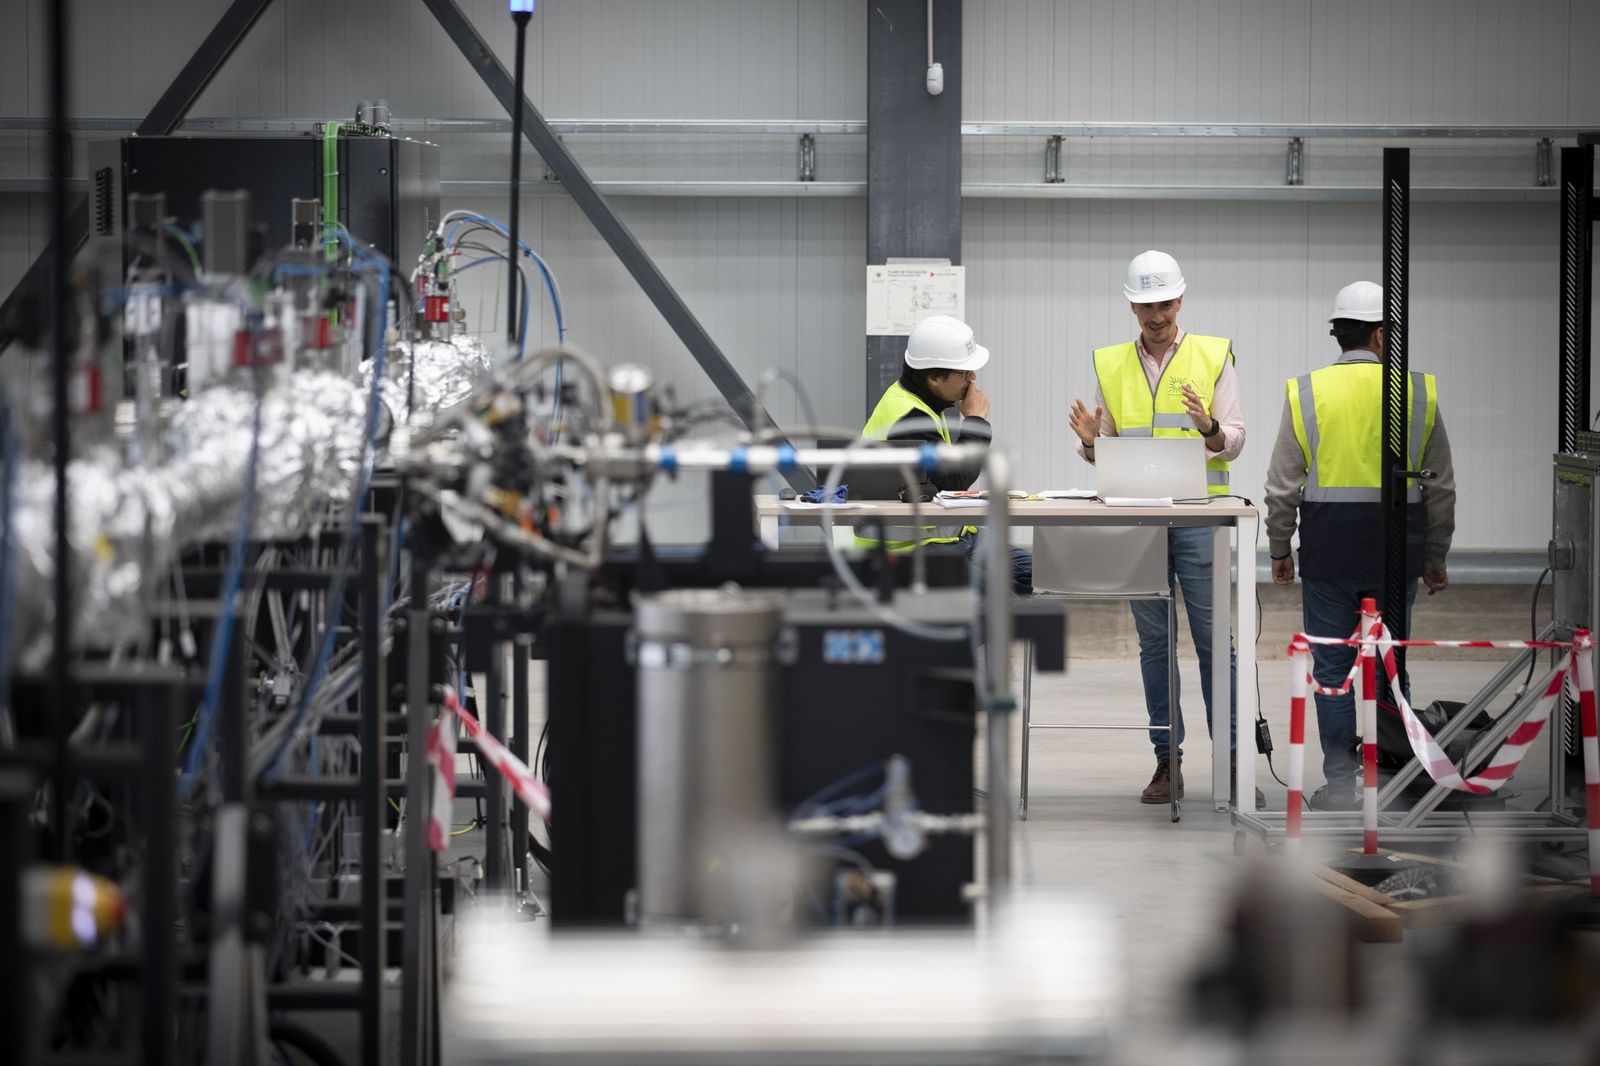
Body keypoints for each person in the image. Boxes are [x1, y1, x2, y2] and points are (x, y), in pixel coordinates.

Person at [1263, 280, 1455, 810]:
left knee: (1332, 673)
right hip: (1399, 548)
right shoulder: (1416, 391)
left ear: (1338, 334)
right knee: (1389, 665)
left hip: (1330, 550)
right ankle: (1391, 784)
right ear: (1378, 333)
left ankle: (1344, 787)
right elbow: (1440, 485)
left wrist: (1280, 548)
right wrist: (1435, 556)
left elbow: (1282, 484)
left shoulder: (1307, 392)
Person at [1069, 250, 1250, 806]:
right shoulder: (1110, 364)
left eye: (1166, 302)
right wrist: (1092, 443)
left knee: (1216, 642)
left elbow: (1236, 441)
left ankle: (1235, 766)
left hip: (1200, 519)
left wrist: (1210, 427)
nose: (1157, 313)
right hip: (1139, 520)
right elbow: (1105, 454)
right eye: (1147, 304)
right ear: (1132, 304)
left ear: (1181, 300)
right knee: (1155, 645)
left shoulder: (1214, 356)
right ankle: (1166, 763)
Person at [858, 315, 1032, 594]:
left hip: (951, 537)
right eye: (964, 373)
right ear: (935, 377)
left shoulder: (923, 403)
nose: (972, 378)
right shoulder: (908, 419)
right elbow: (955, 478)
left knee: (1034, 573)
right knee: (999, 602)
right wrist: (975, 421)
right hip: (910, 550)